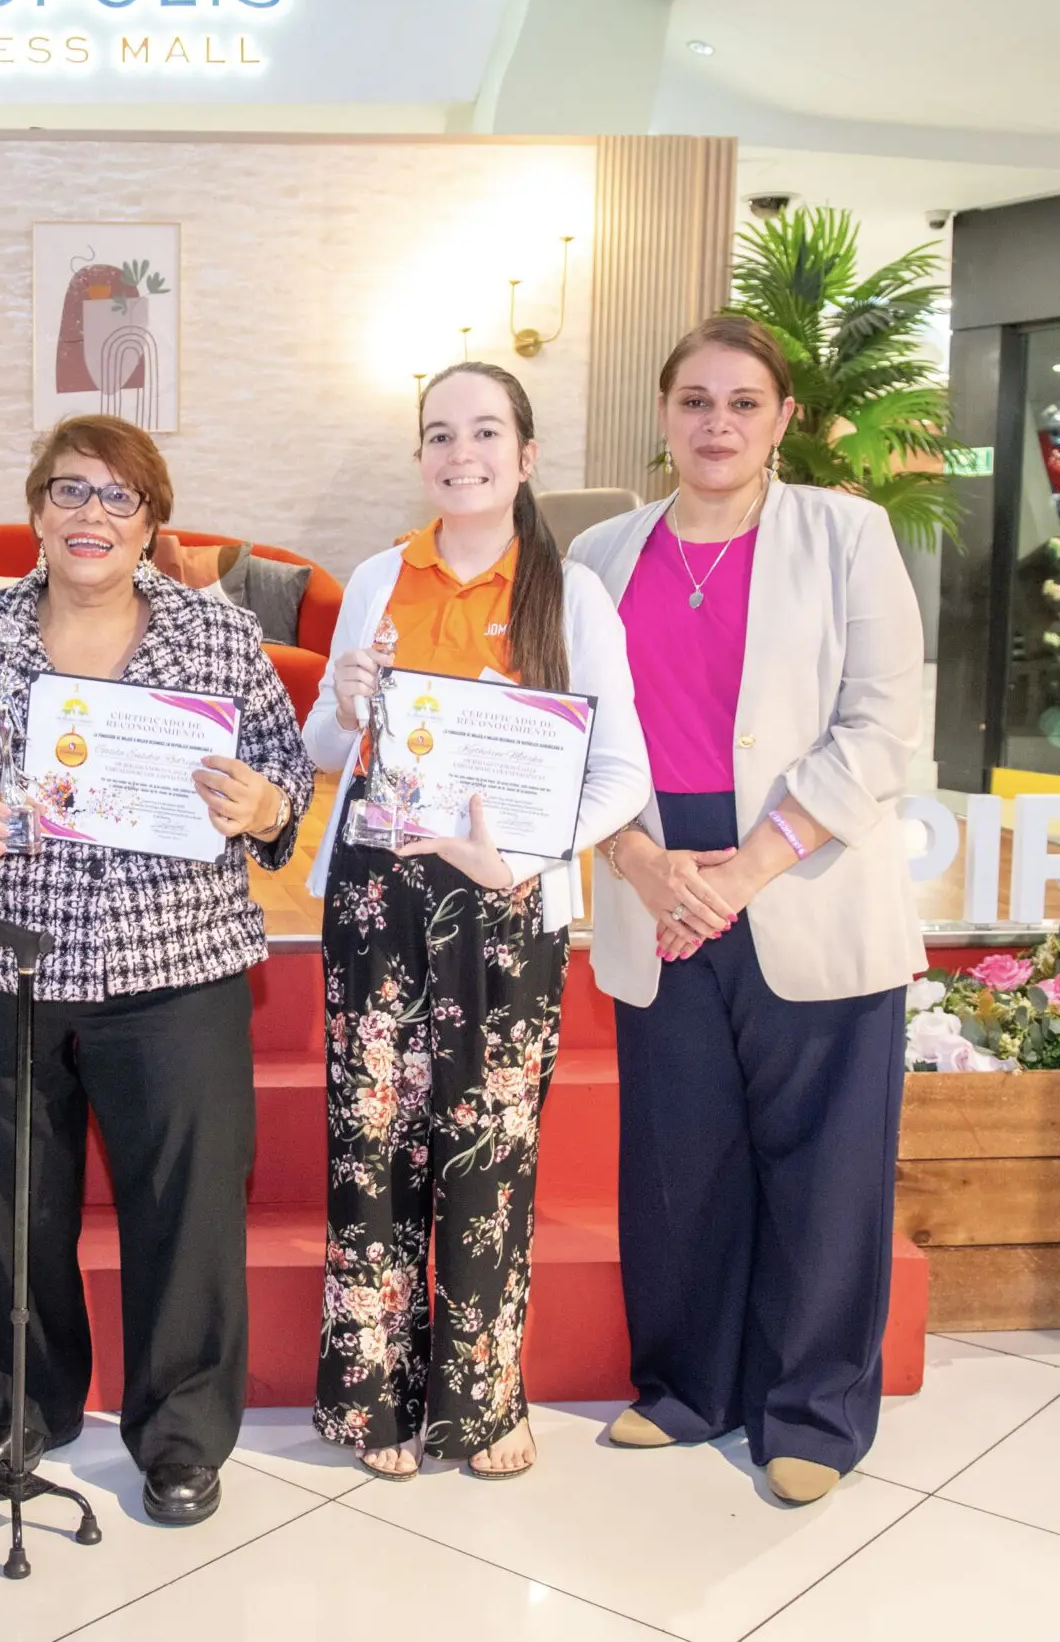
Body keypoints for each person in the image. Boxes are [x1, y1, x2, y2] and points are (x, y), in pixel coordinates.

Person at [0, 415, 315, 1526]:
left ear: (151, 522)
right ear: (37, 510)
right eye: (70, 491)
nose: (92, 515)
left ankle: (179, 1435)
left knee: (185, 1213)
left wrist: (263, 806)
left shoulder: (217, 637)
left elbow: (285, 784)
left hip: (175, 967)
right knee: (8, 1211)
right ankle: (18, 1410)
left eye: (118, 496)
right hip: (2, 965)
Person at [569, 315, 925, 1506]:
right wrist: (638, 858)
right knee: (679, 1159)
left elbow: (881, 725)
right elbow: (565, 732)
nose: (716, 423)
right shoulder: (604, 555)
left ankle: (812, 1410)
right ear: (663, 415)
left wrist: (744, 868)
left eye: (743, 402)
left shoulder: (845, 533)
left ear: (782, 419)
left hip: (804, 878)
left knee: (826, 1164)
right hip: (652, 885)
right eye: (694, 401)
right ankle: (686, 1387)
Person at [302, 362, 650, 1482]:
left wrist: (532, 855)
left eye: (486, 431)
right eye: (440, 434)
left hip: (504, 905)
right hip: (376, 895)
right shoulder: (376, 576)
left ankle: (485, 1403)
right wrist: (346, 704)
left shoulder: (570, 593)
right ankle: (374, 1404)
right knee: (372, 1147)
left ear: (527, 452)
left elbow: (625, 771)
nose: (463, 452)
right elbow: (321, 747)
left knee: (490, 1154)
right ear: (420, 456)